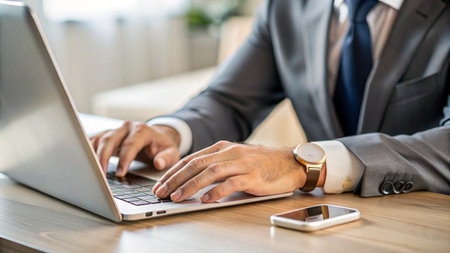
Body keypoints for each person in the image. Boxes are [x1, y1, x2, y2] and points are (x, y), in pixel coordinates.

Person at [91, 0, 450, 203]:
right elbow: (230, 100)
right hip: (326, 224)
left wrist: (306, 164)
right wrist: (169, 132)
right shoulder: (286, 7)